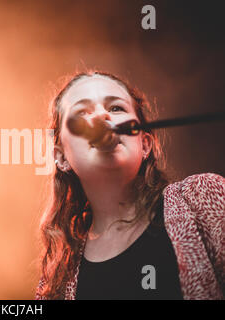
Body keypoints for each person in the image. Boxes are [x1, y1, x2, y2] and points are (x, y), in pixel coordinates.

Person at [35, 70, 224, 300]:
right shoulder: (58, 280)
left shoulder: (202, 197)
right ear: (61, 157)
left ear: (145, 144)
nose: (102, 116)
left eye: (116, 108)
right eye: (82, 113)